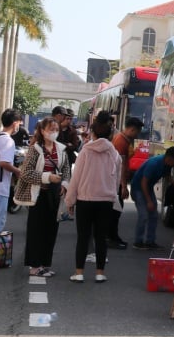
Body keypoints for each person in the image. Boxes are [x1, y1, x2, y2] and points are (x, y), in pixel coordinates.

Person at [64, 110, 121, 283]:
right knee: (101, 237)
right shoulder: (115, 154)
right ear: (110, 133)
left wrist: (70, 200)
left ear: (93, 132)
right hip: (105, 200)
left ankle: (79, 272)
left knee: (83, 237)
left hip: (85, 199)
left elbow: (76, 178)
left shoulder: (86, 152)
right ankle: (100, 273)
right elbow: (116, 180)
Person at [20, 117, 72, 277]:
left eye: (56, 130)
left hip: (55, 193)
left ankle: (44, 264)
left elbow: (66, 170)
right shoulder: (35, 149)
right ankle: (34, 266)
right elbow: (26, 172)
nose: (54, 133)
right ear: (42, 131)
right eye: (50, 130)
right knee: (36, 229)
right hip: (38, 193)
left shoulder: (61, 149)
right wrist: (47, 177)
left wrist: (64, 184)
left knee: (51, 229)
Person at [129, 146, 174, 250]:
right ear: (171, 158)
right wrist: (148, 201)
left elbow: (167, 175)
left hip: (148, 187)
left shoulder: (167, 164)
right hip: (138, 187)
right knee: (144, 215)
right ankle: (138, 242)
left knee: (154, 215)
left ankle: (150, 241)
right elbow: (143, 182)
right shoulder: (154, 163)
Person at [109, 116, 144, 249]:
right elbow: (121, 166)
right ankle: (111, 238)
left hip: (116, 181)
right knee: (115, 212)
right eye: (137, 132)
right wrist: (124, 186)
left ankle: (114, 237)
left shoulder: (122, 139)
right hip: (116, 182)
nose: (137, 135)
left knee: (116, 211)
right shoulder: (121, 142)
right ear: (131, 129)